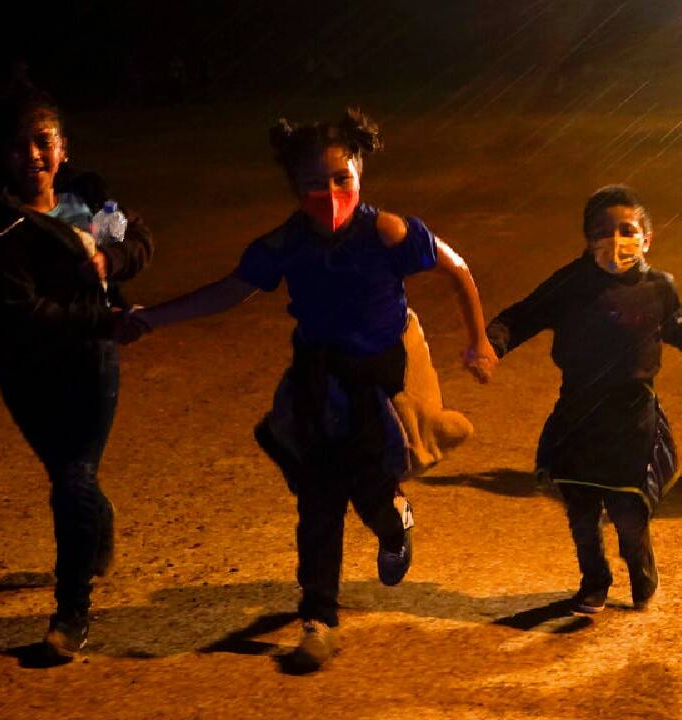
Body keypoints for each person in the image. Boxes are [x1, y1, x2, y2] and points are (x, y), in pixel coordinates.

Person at [120, 108, 496, 670]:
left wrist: (480, 341)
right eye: (313, 183)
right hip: (319, 379)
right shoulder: (286, 243)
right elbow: (228, 291)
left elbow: (457, 268)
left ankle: (393, 521)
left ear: (360, 173)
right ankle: (318, 619)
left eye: (341, 178)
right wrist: (152, 318)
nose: (329, 192)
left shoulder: (387, 230)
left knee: (366, 484)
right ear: (294, 188)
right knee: (318, 498)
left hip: (378, 382)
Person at [0, 81, 154, 658]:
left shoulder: (87, 199)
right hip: (28, 371)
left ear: (63, 147)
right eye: (17, 146)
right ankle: (96, 523)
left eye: (43, 140)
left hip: (92, 364)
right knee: (72, 477)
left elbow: (138, 241)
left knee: (72, 477)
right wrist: (104, 317)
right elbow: (23, 313)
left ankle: (71, 611)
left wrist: (108, 258)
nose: (32, 154)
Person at [485, 184, 682, 614]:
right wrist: (491, 344)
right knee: (581, 509)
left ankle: (642, 574)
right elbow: (522, 315)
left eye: (627, 229)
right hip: (578, 414)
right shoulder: (570, 283)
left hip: (632, 417)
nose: (616, 240)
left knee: (628, 509)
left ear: (646, 237)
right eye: (603, 230)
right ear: (587, 239)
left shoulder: (659, 288)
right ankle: (594, 581)